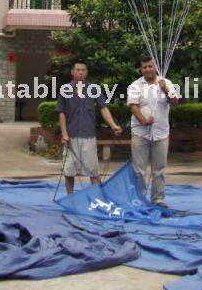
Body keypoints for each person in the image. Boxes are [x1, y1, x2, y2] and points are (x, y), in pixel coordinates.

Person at [56, 61, 122, 194]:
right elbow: (61, 112)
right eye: (78, 70)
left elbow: (103, 108)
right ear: (72, 72)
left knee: (93, 171)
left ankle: (97, 198)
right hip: (71, 136)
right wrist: (64, 134)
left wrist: (113, 125)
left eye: (83, 70)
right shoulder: (65, 89)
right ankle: (70, 196)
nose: (81, 72)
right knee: (69, 171)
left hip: (88, 136)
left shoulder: (94, 89)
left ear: (86, 73)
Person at [127, 55, 179, 208]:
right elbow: (133, 106)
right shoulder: (135, 85)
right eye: (145, 67)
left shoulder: (166, 82)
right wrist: (143, 120)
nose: (148, 69)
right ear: (141, 69)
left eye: (150, 66)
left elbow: (175, 102)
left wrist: (165, 89)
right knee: (139, 170)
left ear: (155, 67)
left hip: (161, 133)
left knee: (159, 169)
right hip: (140, 133)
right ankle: (139, 199)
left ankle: (157, 199)